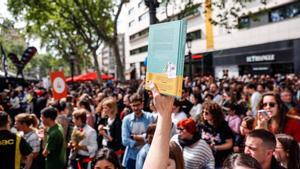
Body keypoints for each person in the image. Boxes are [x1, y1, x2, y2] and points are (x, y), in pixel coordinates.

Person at [121, 93, 154, 169]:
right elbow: (125, 140)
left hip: (147, 155)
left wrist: (136, 138)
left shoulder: (150, 117)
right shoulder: (127, 119)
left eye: (138, 105)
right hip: (132, 156)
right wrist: (143, 140)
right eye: (133, 105)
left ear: (142, 104)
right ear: (130, 105)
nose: (136, 108)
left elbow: (152, 137)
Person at [198, 101, 234, 168]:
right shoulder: (201, 125)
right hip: (203, 158)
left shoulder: (223, 126)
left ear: (214, 114)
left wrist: (214, 148)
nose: (204, 114)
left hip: (219, 159)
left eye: (206, 113)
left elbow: (229, 144)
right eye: (203, 112)